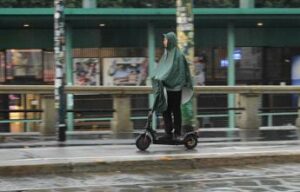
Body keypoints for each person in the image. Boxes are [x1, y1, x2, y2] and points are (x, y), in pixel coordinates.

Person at [152, 32, 193, 140]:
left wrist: (164, 78)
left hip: (175, 89)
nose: (163, 42)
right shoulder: (167, 54)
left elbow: (176, 72)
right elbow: (163, 70)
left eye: (165, 40)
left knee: (175, 110)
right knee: (166, 110)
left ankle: (177, 132)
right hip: (167, 88)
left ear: (170, 41)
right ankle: (168, 132)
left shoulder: (178, 56)